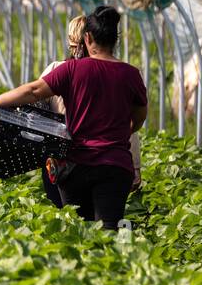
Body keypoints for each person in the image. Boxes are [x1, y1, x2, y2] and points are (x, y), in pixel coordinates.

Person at [0, 6, 147, 230]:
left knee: (77, 233)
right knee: (110, 233)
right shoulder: (131, 74)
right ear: (114, 39)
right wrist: (118, 136)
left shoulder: (72, 69)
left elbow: (33, 91)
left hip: (76, 165)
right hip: (115, 168)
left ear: (87, 38)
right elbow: (137, 119)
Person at [39, 16, 143, 206]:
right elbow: (127, 127)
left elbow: (34, 103)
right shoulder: (115, 75)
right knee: (103, 224)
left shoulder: (58, 70)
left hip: (63, 163)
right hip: (107, 162)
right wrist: (135, 167)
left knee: (68, 223)